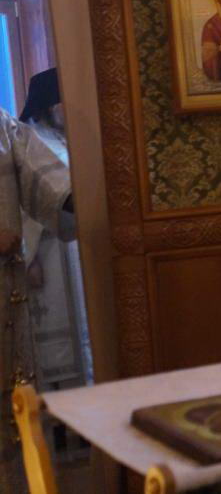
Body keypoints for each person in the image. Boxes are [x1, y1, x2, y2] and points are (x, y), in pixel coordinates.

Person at [0, 106, 75, 493]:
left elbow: (44, 179)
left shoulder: (1, 124)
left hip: (6, 299)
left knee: (16, 413)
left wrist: (85, 198)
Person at [18, 68, 92, 391]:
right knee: (58, 331)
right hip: (48, 254)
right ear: (49, 105)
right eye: (64, 101)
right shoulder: (32, 140)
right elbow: (23, 209)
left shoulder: (66, 138)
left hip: (74, 249)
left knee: (84, 324)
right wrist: (29, 258)